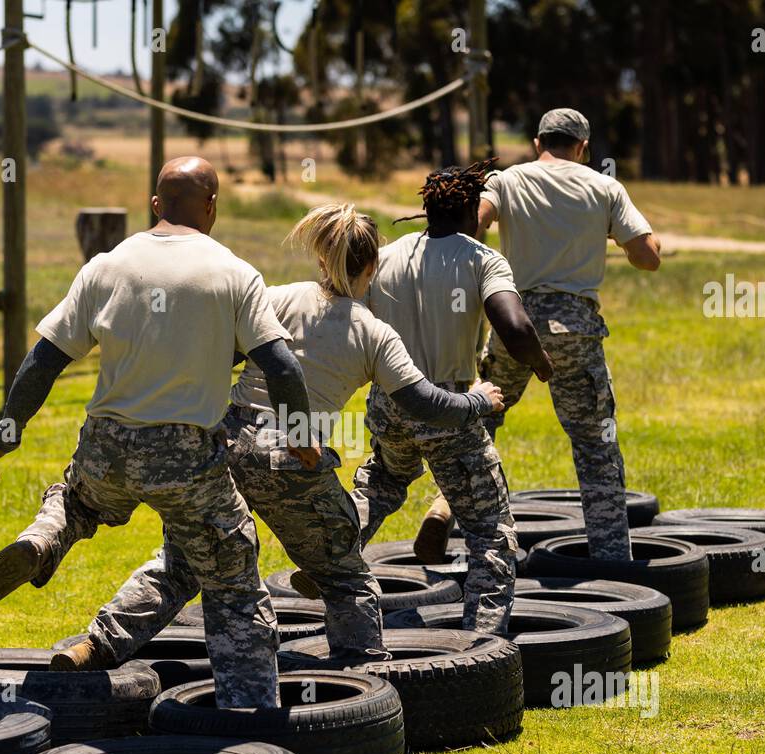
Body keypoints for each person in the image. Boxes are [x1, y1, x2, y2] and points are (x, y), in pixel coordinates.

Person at [0, 156, 316, 708]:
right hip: (186, 458)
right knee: (233, 581)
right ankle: (250, 714)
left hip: (107, 445)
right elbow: (282, 366)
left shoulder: (107, 265)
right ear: (212, 205)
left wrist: (7, 431)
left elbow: (44, 359)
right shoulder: (234, 273)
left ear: (154, 204)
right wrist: (301, 434)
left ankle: (41, 541)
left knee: (76, 502)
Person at [83, 202, 506, 658]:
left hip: (229, 444)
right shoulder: (375, 334)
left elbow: (217, 356)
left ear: (322, 260)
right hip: (295, 456)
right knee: (346, 579)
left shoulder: (277, 298)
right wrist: (476, 401)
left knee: (182, 561)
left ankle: (98, 644)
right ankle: (362, 688)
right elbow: (425, 403)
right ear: (372, 268)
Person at [350, 160, 553, 635]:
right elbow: (516, 328)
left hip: (390, 400)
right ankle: (482, 648)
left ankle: (331, 553)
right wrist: (540, 363)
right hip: (448, 405)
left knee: (381, 481)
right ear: (470, 211)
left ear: (426, 208)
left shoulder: (388, 255)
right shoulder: (481, 259)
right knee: (490, 532)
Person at [476, 108, 661, 561]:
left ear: (539, 143)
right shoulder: (604, 186)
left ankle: (459, 523)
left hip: (513, 320)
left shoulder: (505, 180)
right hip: (575, 327)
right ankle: (612, 558)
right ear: (582, 147)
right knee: (595, 443)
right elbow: (647, 257)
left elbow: (474, 222)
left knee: (479, 423)